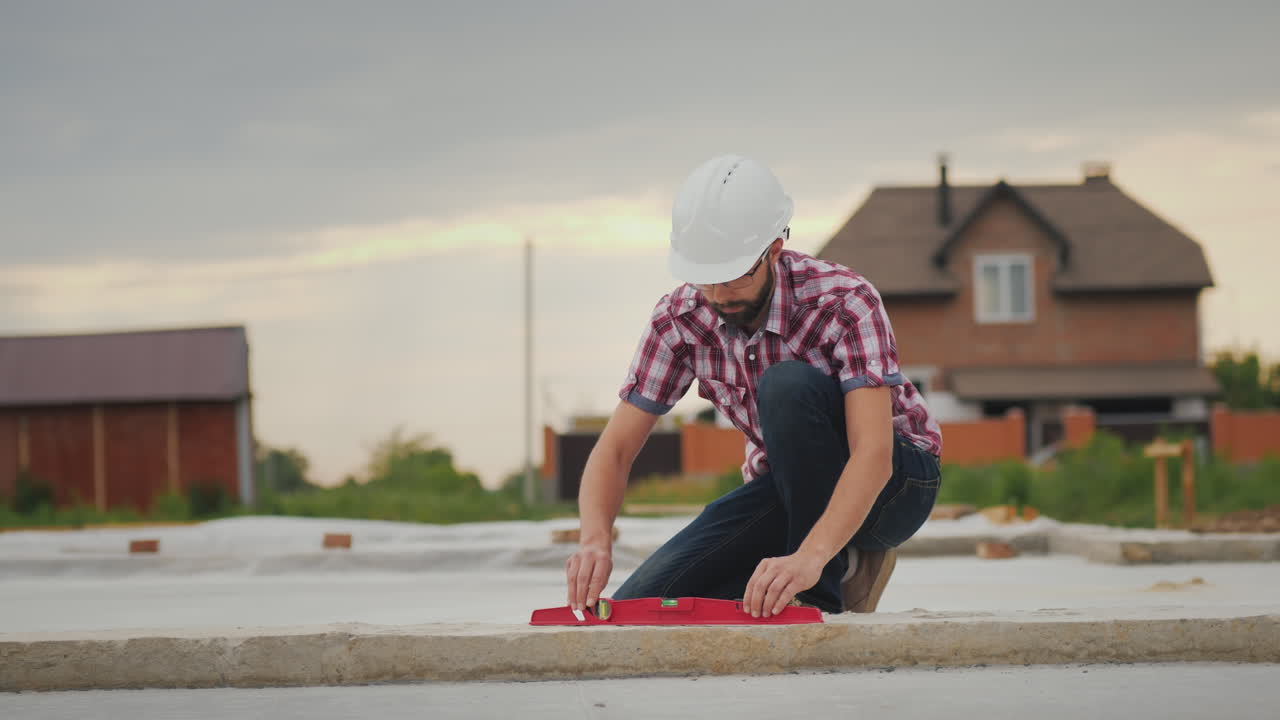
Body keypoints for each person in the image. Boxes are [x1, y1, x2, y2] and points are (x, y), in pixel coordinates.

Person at [565, 154, 943, 619]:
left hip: (897, 485)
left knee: (785, 383)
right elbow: (616, 448)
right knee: (643, 608)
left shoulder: (842, 300)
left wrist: (810, 558)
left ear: (775, 249)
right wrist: (594, 540)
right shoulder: (680, 320)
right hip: (790, 486)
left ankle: (824, 583)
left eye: (735, 275)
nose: (720, 295)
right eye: (706, 279)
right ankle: (812, 566)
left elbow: (873, 453)